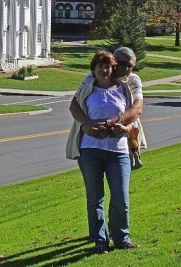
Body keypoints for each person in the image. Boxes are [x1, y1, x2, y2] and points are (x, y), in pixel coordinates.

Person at [66, 50, 139, 254]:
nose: (103, 69)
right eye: (99, 66)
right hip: (91, 150)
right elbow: (73, 107)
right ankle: (99, 240)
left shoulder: (123, 89)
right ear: (94, 69)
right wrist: (87, 125)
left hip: (119, 150)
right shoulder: (87, 87)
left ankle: (122, 238)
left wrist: (122, 127)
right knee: (94, 197)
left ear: (112, 68)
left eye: (107, 66)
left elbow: (134, 116)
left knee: (120, 197)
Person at [113, 47, 146, 150]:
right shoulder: (99, 76)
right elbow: (76, 104)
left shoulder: (132, 79)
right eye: (123, 64)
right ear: (114, 60)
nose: (126, 68)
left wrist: (117, 121)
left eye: (130, 66)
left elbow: (137, 108)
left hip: (125, 134)